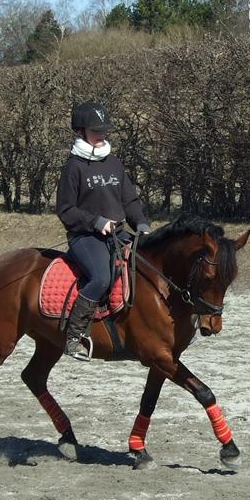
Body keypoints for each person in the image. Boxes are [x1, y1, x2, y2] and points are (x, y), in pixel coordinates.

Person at [56, 101, 151, 360]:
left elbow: (129, 201)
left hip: (118, 232)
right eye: (95, 130)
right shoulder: (73, 167)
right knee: (100, 278)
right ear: (80, 131)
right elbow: (65, 210)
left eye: (104, 129)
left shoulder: (114, 163)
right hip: (85, 236)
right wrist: (97, 222)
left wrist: (140, 223)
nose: (102, 134)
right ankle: (74, 337)